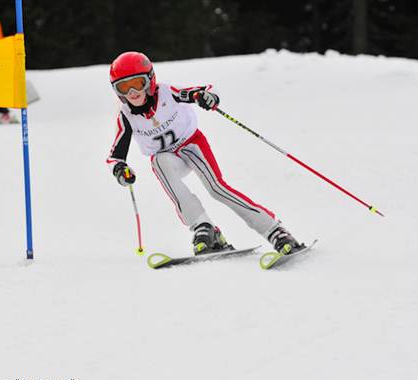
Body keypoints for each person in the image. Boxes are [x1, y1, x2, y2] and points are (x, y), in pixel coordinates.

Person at [106, 51, 305, 256]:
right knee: (158, 162)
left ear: (150, 80)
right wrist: (121, 170)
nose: (131, 91)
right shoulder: (126, 116)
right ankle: (204, 228)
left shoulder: (166, 92)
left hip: (193, 146)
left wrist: (207, 97)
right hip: (169, 158)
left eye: (137, 83)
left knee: (216, 188)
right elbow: (115, 156)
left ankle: (274, 230)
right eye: (123, 86)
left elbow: (203, 90)